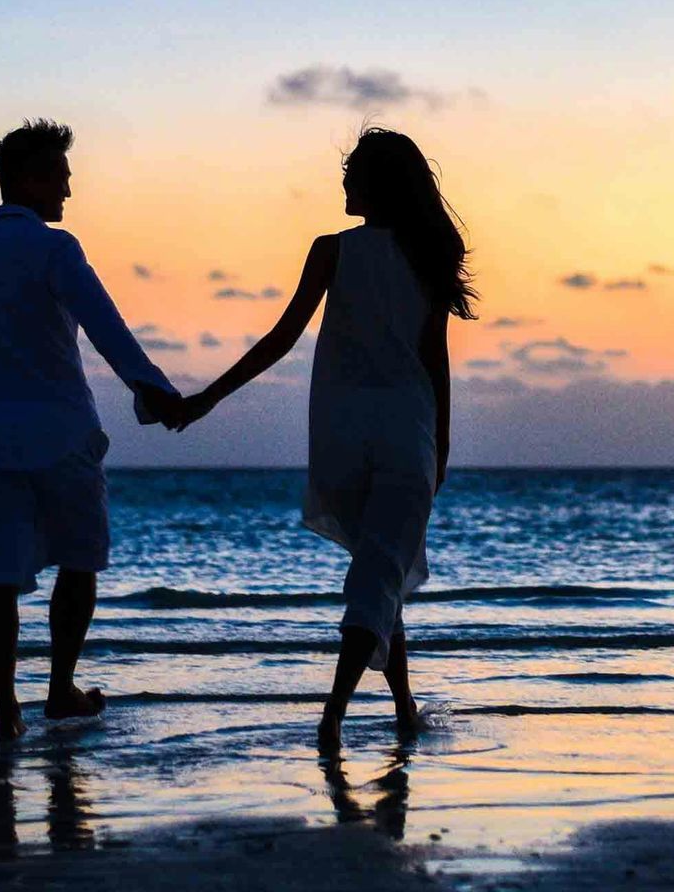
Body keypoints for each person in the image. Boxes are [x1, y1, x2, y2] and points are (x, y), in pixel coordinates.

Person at [180, 127, 474, 750]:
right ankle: (334, 716)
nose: (343, 182)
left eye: (351, 173)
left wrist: (208, 398)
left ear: (377, 184)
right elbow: (434, 360)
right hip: (407, 435)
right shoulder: (427, 255)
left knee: (379, 570)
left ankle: (404, 708)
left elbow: (281, 339)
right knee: (377, 576)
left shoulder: (331, 250)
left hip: (342, 440)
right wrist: (442, 447)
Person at [0, 118, 185, 739]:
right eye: (61, 177)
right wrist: (153, 391)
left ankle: (6, 711)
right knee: (79, 562)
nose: (68, 193)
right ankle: (59, 689)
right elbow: (105, 326)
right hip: (60, 433)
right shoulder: (56, 248)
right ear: (29, 178)